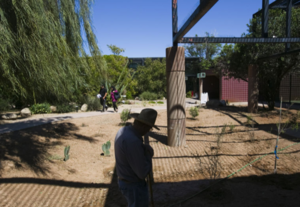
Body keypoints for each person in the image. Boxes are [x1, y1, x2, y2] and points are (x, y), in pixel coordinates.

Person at [114, 108, 159, 207]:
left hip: (125, 181)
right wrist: (148, 155)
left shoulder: (123, 131)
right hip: (134, 186)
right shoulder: (133, 142)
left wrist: (142, 148)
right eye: (149, 128)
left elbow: (129, 152)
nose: (148, 131)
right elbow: (142, 173)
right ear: (143, 126)